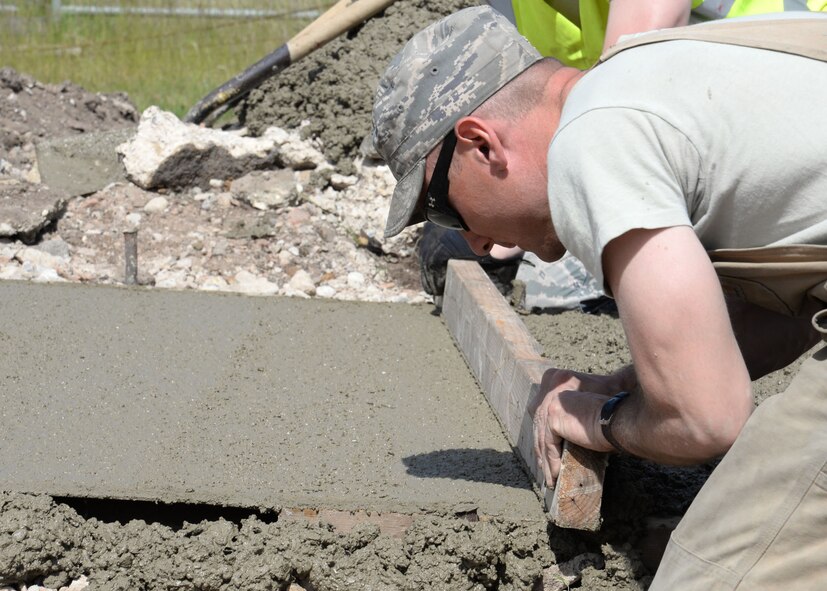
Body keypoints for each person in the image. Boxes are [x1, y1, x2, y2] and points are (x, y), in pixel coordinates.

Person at [372, 6, 827, 589]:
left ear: (481, 144)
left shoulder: (592, 138)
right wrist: (632, 383)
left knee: (709, 577)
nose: (474, 241)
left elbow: (708, 418)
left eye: (441, 208)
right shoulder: (656, 75)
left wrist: (602, 418)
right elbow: (791, 308)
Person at [417, 0, 826, 309]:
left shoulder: (613, 111)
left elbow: (625, 81)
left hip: (771, 104)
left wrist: (567, 214)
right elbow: (520, 106)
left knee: (555, 288)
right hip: (644, 131)